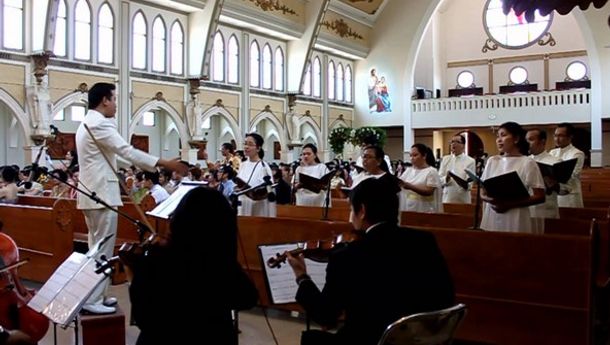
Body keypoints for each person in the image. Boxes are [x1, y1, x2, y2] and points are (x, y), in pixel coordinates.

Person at [286, 178, 455, 345]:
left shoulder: (347, 256)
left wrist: (302, 276)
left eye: (351, 209)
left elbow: (326, 317)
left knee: (312, 339)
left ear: (362, 211)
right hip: (422, 338)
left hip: (372, 339)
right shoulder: (424, 241)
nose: (350, 217)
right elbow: (446, 295)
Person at [76, 82, 186, 314]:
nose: (116, 104)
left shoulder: (86, 122)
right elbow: (126, 151)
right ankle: (92, 299)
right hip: (100, 194)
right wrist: (165, 163)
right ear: (104, 100)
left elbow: (119, 155)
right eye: (114, 99)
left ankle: (98, 294)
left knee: (96, 246)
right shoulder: (99, 124)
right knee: (101, 249)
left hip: (92, 192)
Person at [129, 187, 257, 345]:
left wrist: (133, 272)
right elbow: (248, 298)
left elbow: (142, 317)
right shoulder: (218, 264)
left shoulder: (156, 258)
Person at [479, 122, 545, 233]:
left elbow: (540, 196)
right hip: (493, 212)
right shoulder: (492, 161)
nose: (499, 140)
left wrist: (508, 205)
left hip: (516, 215)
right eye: (498, 136)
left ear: (516, 138)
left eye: (503, 135)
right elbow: (482, 191)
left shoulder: (527, 162)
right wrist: (492, 201)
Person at [526, 129, 561, 234]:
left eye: (531, 139)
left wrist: (553, 184)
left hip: (546, 210)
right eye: (526, 140)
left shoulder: (555, 161)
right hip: (526, 210)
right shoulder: (525, 160)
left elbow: (566, 188)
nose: (527, 143)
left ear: (542, 141)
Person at [234, 133, 276, 217]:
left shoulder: (263, 166)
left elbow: (268, 190)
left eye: (250, 144)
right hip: (243, 203)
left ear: (258, 148)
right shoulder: (243, 164)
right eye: (245, 144)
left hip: (257, 206)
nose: (246, 147)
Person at [399, 143, 443, 213]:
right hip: (409, 208)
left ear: (424, 156)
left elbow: (429, 191)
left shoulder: (431, 171)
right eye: (411, 156)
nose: (412, 158)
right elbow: (400, 183)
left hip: (425, 209)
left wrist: (410, 186)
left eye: (415, 155)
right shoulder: (409, 171)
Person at [549, 123, 585, 208]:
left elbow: (573, 175)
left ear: (570, 137)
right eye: (555, 135)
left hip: (570, 195)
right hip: (554, 194)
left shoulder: (577, 153)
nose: (557, 139)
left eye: (561, 136)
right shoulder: (552, 152)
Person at [438, 134, 476, 204]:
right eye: (452, 142)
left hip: (462, 198)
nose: (453, 144)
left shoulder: (470, 161)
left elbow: (469, 185)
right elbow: (439, 179)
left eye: (457, 142)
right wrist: (447, 178)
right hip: (447, 198)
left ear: (463, 146)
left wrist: (456, 178)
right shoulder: (445, 159)